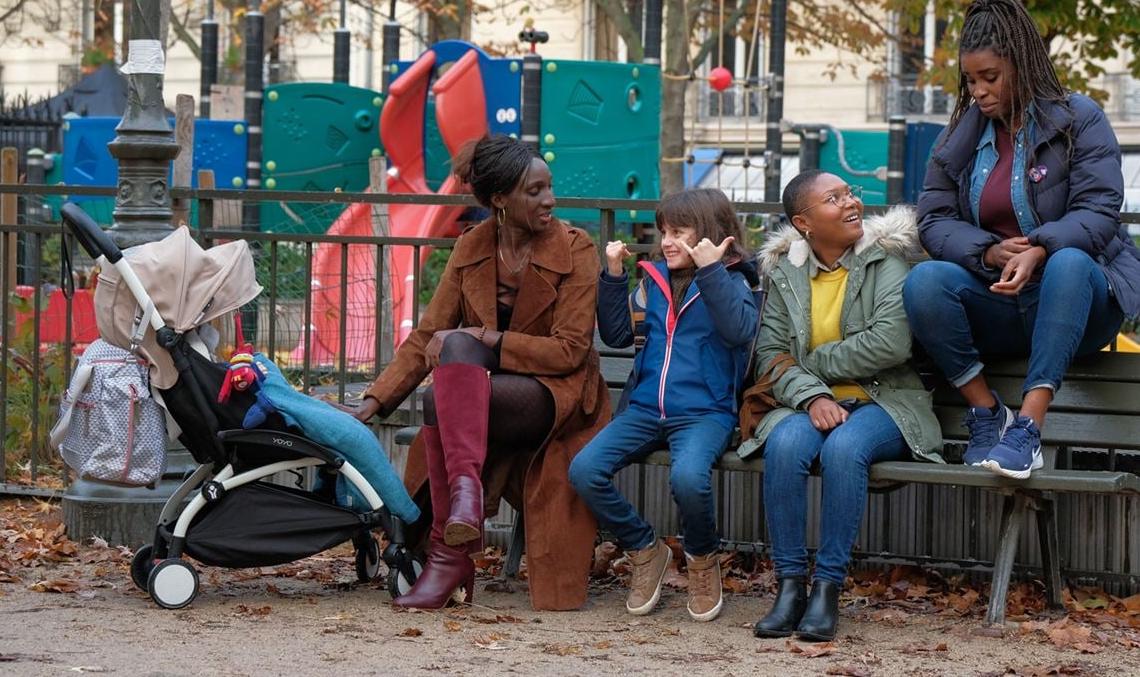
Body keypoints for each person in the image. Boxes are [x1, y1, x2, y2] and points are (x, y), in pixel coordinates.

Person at [903, 0, 1140, 480]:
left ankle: (1027, 429)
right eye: (971, 80)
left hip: (1077, 301)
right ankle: (987, 413)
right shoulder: (958, 138)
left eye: (990, 77)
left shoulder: (1079, 118)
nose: (978, 91)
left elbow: (1100, 210)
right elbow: (933, 219)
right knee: (924, 283)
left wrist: (1042, 247)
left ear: (1020, 64)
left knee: (1067, 262)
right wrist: (988, 251)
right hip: (1000, 300)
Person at [352, 134, 610, 611]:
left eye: (549, 187)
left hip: (558, 395)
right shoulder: (472, 245)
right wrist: (371, 404)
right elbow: (425, 333)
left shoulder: (576, 249)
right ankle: (463, 513)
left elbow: (569, 353)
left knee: (447, 380)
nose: (549, 199)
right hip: (485, 395)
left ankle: (451, 551)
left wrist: (486, 339)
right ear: (500, 200)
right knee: (453, 359)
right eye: (534, 191)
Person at [750, 171, 942, 642]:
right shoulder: (785, 274)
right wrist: (812, 394)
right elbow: (771, 353)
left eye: (849, 194)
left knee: (844, 449)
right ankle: (791, 585)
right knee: (785, 444)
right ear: (804, 222)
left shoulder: (886, 262)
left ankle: (828, 588)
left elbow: (890, 343)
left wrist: (813, 363)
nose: (850, 203)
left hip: (884, 399)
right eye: (833, 199)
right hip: (808, 403)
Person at [568, 188, 760, 622]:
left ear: (709, 234)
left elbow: (738, 331)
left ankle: (702, 559)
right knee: (584, 470)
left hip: (705, 413)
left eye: (679, 231)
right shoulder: (652, 281)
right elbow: (617, 335)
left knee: (689, 479)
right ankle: (644, 548)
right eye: (664, 232)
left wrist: (711, 270)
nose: (667, 241)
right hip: (644, 410)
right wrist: (613, 274)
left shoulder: (732, 281)